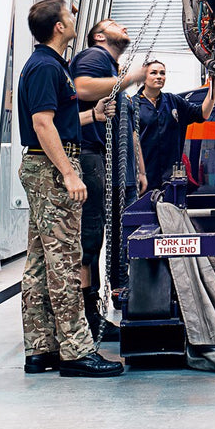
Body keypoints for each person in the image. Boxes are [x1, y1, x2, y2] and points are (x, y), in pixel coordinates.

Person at [17, 0, 123, 378]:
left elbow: (55, 119)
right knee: (64, 259)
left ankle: (40, 348)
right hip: (51, 168)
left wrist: (92, 115)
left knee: (39, 262)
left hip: (44, 165)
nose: (74, 16)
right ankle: (76, 352)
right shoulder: (46, 66)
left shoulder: (49, 65)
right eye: (69, 13)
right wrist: (69, 173)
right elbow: (42, 124)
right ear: (59, 27)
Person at [70, 18, 146, 339]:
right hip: (89, 155)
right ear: (100, 36)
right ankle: (87, 320)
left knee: (96, 238)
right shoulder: (95, 55)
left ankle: (93, 317)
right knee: (88, 241)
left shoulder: (109, 65)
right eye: (115, 24)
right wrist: (130, 78)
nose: (124, 27)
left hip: (98, 157)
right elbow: (82, 87)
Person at [134, 61, 215, 191]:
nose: (159, 76)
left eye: (162, 73)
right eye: (153, 73)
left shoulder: (173, 101)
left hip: (171, 178)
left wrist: (214, 85)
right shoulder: (133, 105)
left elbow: (202, 114)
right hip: (144, 178)